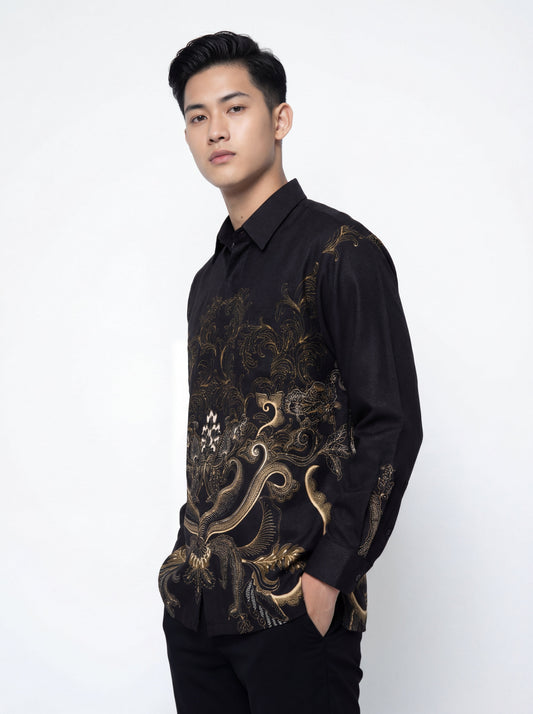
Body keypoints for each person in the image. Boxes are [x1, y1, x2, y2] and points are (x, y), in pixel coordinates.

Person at [158, 30, 423, 714]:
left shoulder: (339, 251)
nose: (216, 130)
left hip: (291, 610)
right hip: (196, 610)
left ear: (279, 120)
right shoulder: (206, 282)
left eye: (235, 108)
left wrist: (329, 577)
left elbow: (391, 424)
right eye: (197, 116)